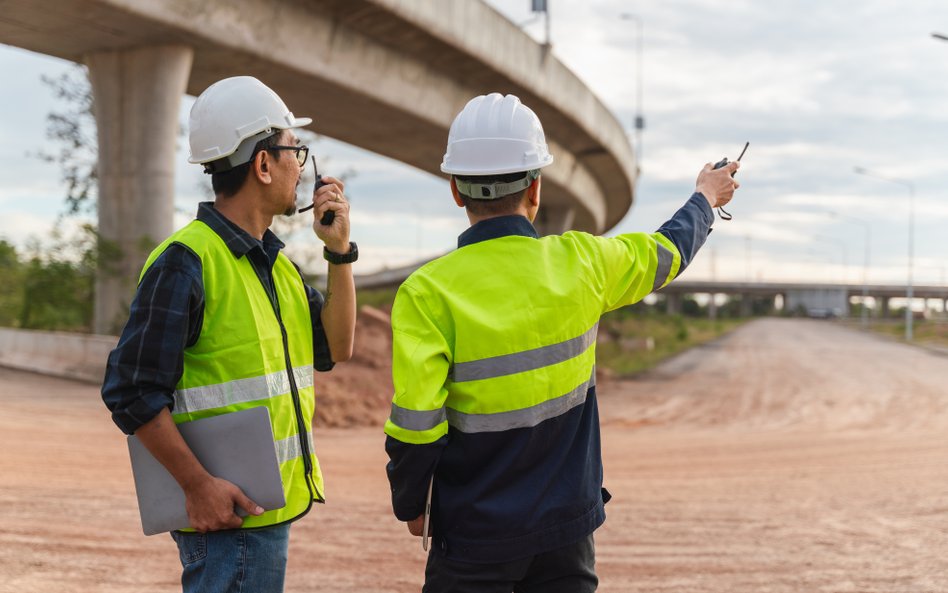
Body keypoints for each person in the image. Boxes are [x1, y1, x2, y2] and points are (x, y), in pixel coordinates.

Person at [383, 93, 739, 592]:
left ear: (456, 192)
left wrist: (412, 503)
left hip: (473, 534)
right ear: (536, 187)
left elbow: (416, 426)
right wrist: (704, 196)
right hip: (566, 527)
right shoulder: (583, 263)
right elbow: (667, 251)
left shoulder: (426, 292)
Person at [101, 76, 357, 592]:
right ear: (263, 165)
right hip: (227, 519)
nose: (300, 167)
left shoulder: (275, 265)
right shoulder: (186, 262)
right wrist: (198, 487)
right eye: (294, 151)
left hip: (264, 511)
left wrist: (338, 253)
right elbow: (131, 390)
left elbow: (338, 346)